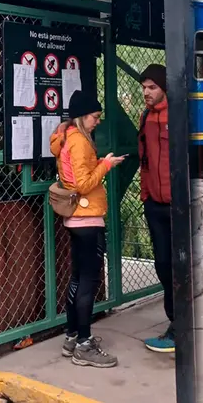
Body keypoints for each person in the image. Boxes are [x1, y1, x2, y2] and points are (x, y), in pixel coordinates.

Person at [50, 91, 126, 368]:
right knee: (89, 282)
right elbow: (82, 184)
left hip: (75, 219)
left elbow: (75, 175)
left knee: (77, 278)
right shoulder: (80, 142)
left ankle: (72, 336)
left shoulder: (66, 138)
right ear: (82, 116)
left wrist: (101, 162)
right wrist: (105, 164)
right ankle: (84, 344)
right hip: (87, 218)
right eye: (95, 116)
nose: (97, 121)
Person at [137, 64, 174, 353]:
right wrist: (146, 196)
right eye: (144, 87)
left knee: (181, 268)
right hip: (155, 206)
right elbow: (145, 160)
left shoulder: (178, 116)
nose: (146, 92)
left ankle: (180, 328)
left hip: (178, 208)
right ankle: (175, 323)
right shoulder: (145, 119)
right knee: (162, 265)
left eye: (152, 87)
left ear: (164, 87)